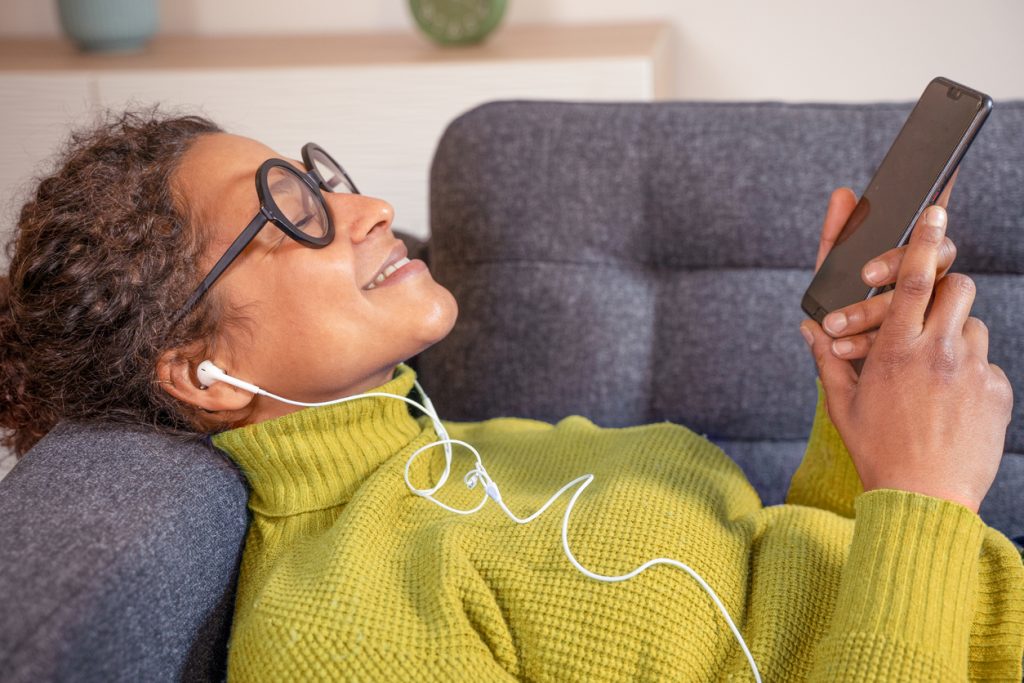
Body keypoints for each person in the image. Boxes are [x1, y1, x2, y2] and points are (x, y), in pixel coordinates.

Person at [1, 110, 1021, 682]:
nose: (370, 207)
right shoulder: (331, 636)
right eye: (292, 211)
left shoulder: (479, 450)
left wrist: (858, 426)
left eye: (323, 177)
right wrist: (923, 500)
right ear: (196, 366)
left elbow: (778, 600)